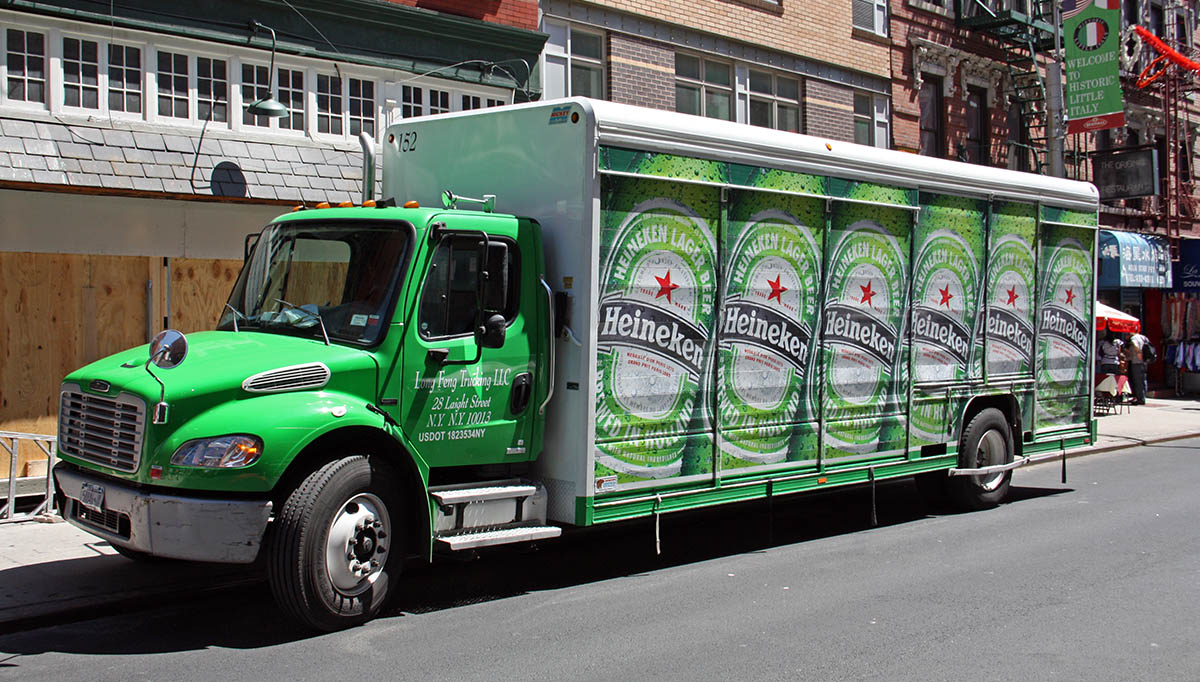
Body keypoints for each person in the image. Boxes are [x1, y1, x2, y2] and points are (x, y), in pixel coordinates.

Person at [1123, 333, 1147, 405]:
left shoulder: (1134, 339)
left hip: (1137, 362)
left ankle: (1140, 399)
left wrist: (1138, 353)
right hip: (1144, 362)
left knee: (1137, 380)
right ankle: (1142, 396)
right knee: (1143, 380)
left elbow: (1135, 345)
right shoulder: (1143, 337)